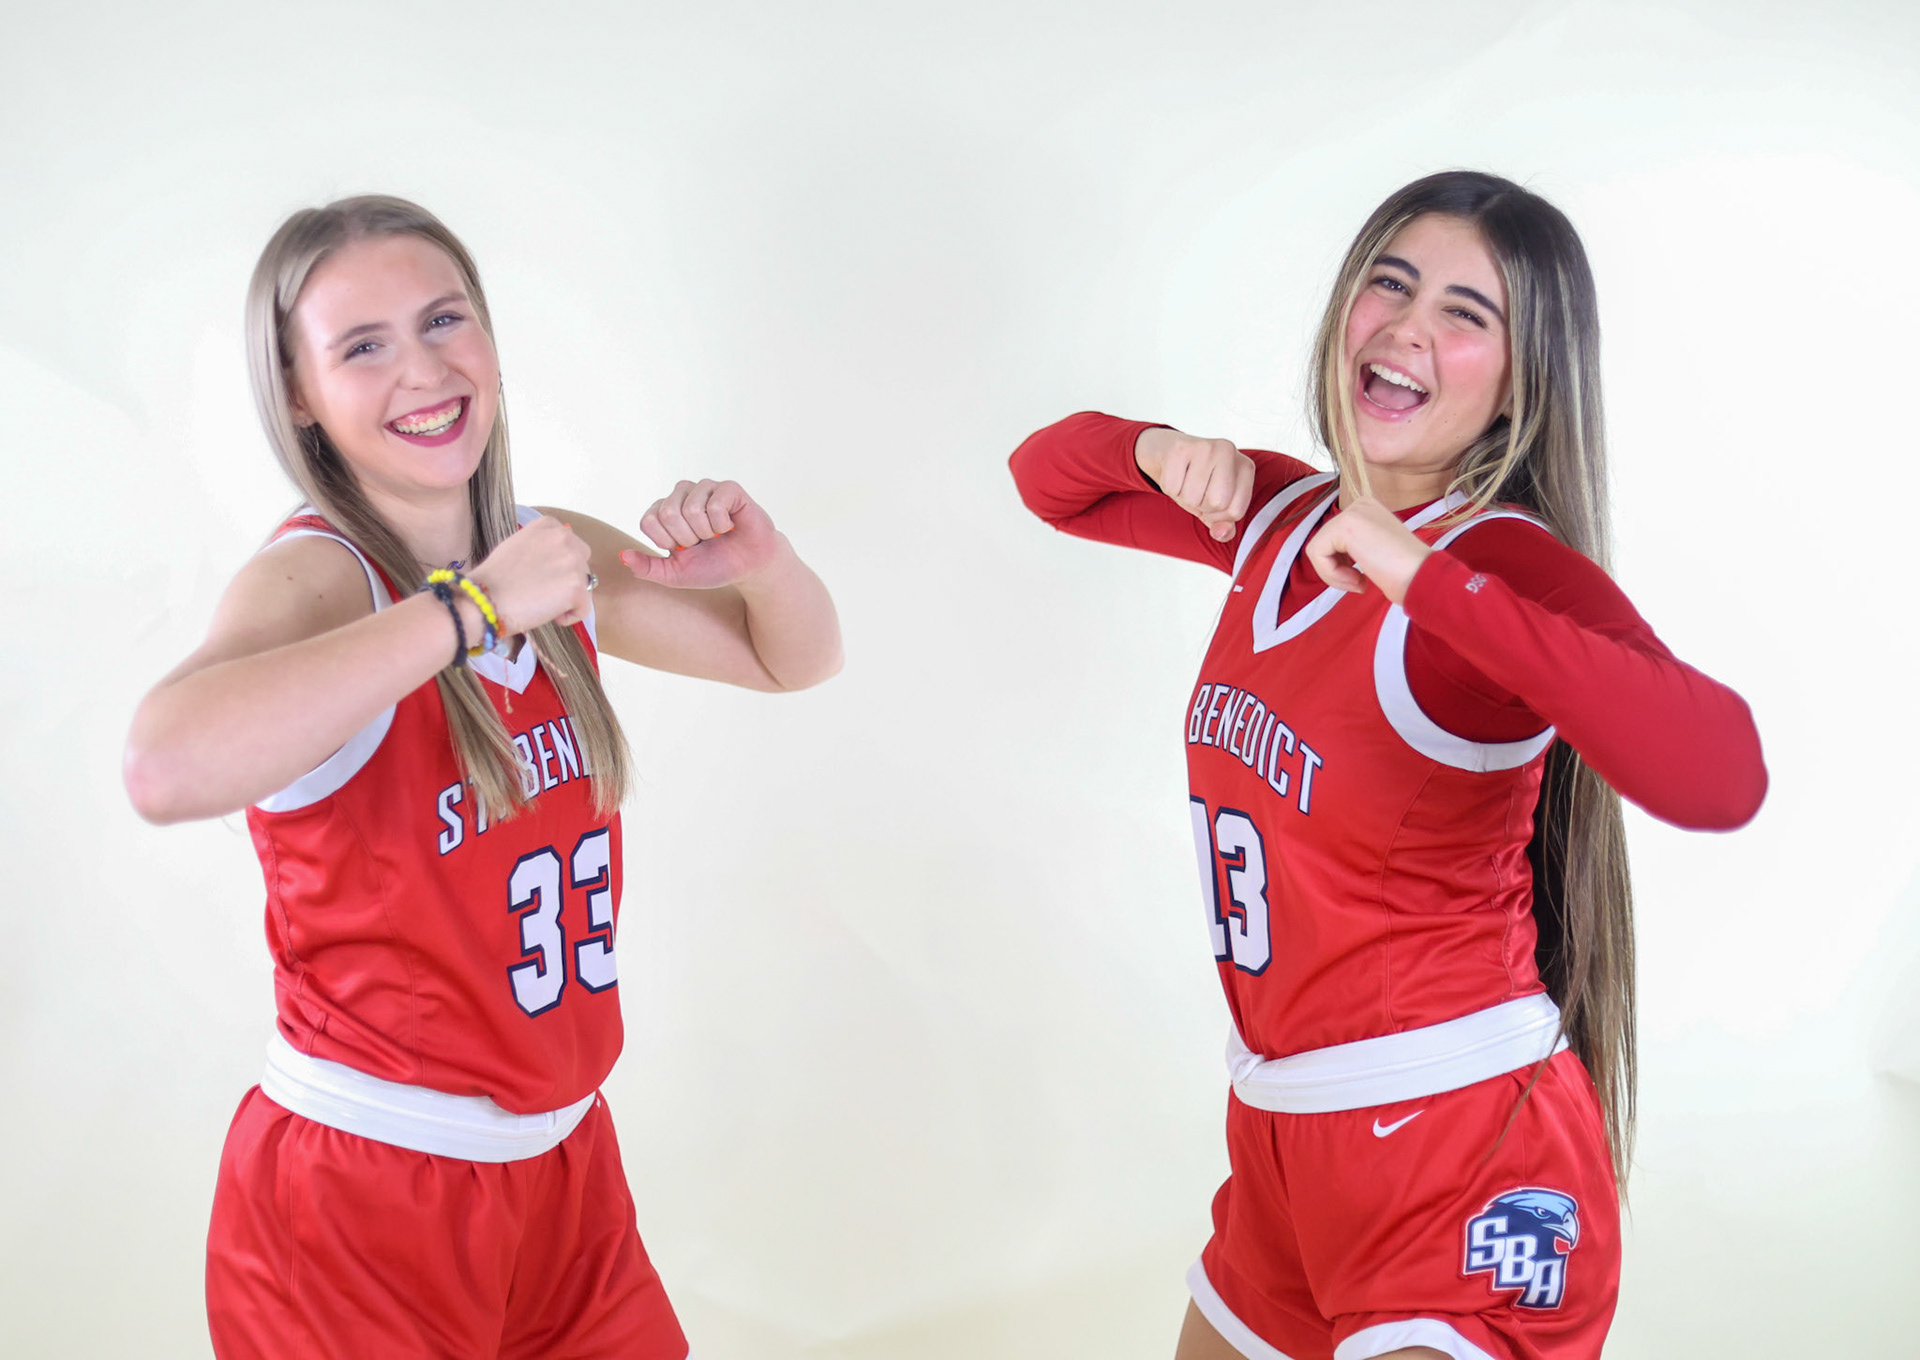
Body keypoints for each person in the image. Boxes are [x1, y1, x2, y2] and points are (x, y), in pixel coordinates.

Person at [1009, 171, 1766, 1360]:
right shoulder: (1275, 515)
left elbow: (1721, 773)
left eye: (1469, 313)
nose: (1410, 326)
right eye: (1390, 282)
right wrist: (1154, 446)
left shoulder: (1502, 566)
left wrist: (1424, 577)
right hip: (1280, 1136)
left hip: (1462, 1149)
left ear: (1525, 377)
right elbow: (1048, 479)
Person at [123, 195, 843, 1359]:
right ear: (300, 395)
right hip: (361, 1201)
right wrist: (466, 612)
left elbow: (790, 658)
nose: (424, 368)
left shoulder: (543, 547)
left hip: (565, 1177)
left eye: (445, 319)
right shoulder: (324, 580)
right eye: (364, 346)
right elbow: (163, 765)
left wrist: (765, 564)